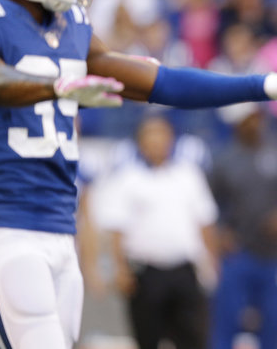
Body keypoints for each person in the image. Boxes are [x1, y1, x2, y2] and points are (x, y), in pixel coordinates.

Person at [0, 0, 277, 349]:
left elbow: (163, 83)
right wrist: (51, 87)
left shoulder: (72, 26)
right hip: (10, 223)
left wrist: (260, 85)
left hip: (60, 228)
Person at [93, 113, 218, 349]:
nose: (156, 141)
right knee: (147, 338)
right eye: (150, 135)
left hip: (184, 270)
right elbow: (117, 228)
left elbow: (206, 221)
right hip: (146, 273)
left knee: (194, 338)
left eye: (160, 134)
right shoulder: (128, 179)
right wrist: (120, 269)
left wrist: (211, 263)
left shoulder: (188, 175)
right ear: (139, 142)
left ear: (171, 138)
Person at [208, 102, 277, 349]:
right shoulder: (224, 160)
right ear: (236, 123)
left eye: (256, 117)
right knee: (227, 318)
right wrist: (221, 231)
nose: (253, 123)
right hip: (237, 251)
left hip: (272, 252)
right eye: (246, 119)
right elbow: (208, 203)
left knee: (272, 321)